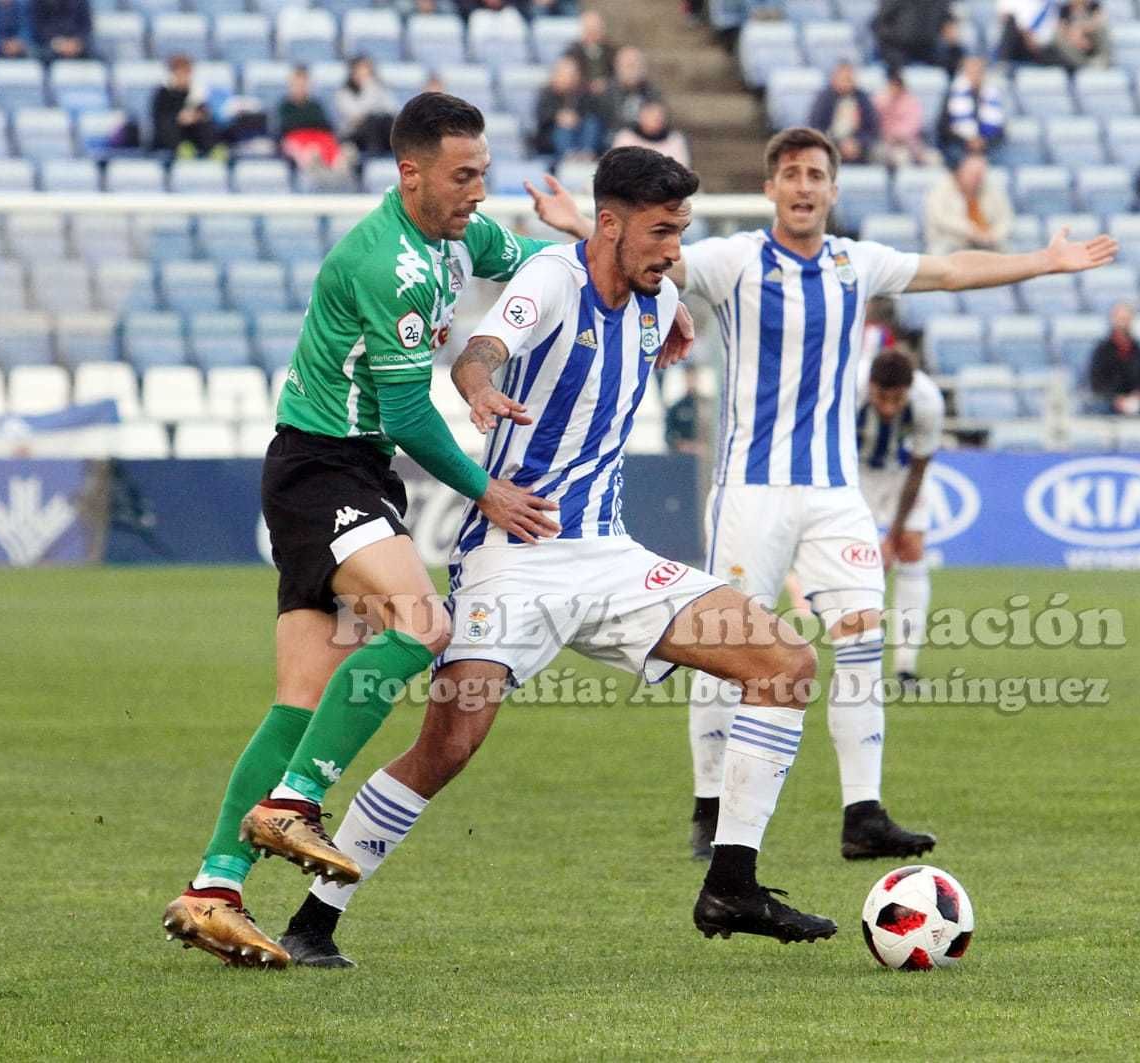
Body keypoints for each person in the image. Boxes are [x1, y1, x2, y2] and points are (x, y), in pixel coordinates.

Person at [276, 147, 838, 967]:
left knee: (784, 661)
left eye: (679, 233)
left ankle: (732, 883)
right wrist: (475, 384)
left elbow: (662, 301)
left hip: (608, 557)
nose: (673, 250)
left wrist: (671, 307)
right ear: (609, 225)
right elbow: (482, 348)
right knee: (447, 749)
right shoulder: (549, 280)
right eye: (659, 232)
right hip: (514, 555)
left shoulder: (661, 293)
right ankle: (314, 918)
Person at [158, 93, 625, 969]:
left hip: (343, 472)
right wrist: (488, 490)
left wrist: (577, 242)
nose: (478, 191)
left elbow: (527, 269)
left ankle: (212, 888)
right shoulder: (389, 263)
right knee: (422, 624)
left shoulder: (459, 235)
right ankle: (293, 803)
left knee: (301, 700)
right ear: (410, 173)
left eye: (484, 172)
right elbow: (410, 407)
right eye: (462, 176)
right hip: (323, 469)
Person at [673, 126, 1117, 862]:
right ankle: (709, 801)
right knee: (731, 648)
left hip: (834, 491)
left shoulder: (857, 263)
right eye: (791, 174)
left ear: (834, 189)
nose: (804, 186)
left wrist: (1042, 261)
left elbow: (949, 271)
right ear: (771, 188)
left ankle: (863, 812)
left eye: (816, 174)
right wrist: (582, 232)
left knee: (861, 640)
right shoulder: (735, 261)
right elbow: (658, 265)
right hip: (752, 489)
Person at [856, 350, 945, 690]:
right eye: (882, 397)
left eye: (897, 399)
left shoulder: (928, 401)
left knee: (911, 548)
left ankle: (905, 666)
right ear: (870, 386)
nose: (890, 407)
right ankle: (857, 656)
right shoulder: (848, 388)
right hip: (854, 471)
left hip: (902, 473)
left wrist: (893, 537)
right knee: (856, 557)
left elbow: (920, 467)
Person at [924, 152, 1012, 255]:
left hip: (986, 240)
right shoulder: (941, 189)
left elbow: (1006, 219)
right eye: (973, 174)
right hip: (953, 239)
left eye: (980, 175)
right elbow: (940, 218)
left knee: (1006, 250)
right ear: (961, 171)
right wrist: (970, 231)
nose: (977, 179)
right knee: (940, 250)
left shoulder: (991, 189)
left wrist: (993, 235)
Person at [1087, 302, 1140, 415]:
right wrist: (1116, 399)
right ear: (1113, 319)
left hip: (1136, 403)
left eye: (1126, 318)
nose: (1123, 322)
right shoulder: (1102, 351)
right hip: (1108, 402)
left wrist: (1138, 395)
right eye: (1120, 318)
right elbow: (1096, 383)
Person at [809, 61, 880, 167]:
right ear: (834, 79)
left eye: (849, 79)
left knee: (878, 153)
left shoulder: (863, 99)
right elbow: (816, 128)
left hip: (859, 146)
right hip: (831, 143)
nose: (846, 82)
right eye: (843, 79)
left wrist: (858, 143)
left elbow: (872, 129)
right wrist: (837, 143)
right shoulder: (824, 99)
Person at [939, 55, 1006, 167]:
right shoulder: (952, 95)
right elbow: (943, 128)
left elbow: (1000, 131)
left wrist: (985, 141)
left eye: (978, 71)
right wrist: (967, 141)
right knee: (954, 155)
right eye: (970, 71)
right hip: (960, 146)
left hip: (987, 148)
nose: (975, 75)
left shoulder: (993, 95)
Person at [535, 55, 606, 160]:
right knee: (563, 128)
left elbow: (594, 111)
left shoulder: (585, 92)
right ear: (556, 75)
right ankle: (569, 156)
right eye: (566, 75)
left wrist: (576, 117)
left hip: (581, 131)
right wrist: (558, 116)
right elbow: (542, 117)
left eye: (573, 75)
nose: (569, 79)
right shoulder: (546, 93)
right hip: (554, 134)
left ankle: (588, 154)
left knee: (591, 122)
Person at [151, 55, 217, 157]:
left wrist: (194, 117)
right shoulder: (163, 92)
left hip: (191, 134)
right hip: (170, 135)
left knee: (205, 124)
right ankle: (180, 149)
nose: (183, 75)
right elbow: (159, 118)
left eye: (186, 72)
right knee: (168, 125)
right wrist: (179, 117)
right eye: (180, 72)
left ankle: (212, 149)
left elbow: (204, 112)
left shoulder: (196, 91)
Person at [874, 67, 937, 167]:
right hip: (885, 142)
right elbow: (875, 124)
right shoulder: (880, 100)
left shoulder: (912, 102)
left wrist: (898, 136)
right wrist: (887, 102)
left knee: (933, 158)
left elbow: (913, 127)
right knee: (898, 157)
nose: (894, 88)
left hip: (909, 143)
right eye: (891, 85)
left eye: (896, 85)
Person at [336, 56, 397, 158]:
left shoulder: (380, 88)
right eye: (361, 70)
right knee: (371, 120)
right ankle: (374, 158)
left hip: (381, 132)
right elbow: (356, 117)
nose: (365, 74)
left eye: (367, 70)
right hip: (355, 135)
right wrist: (369, 87)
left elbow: (393, 110)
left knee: (387, 121)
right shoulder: (343, 94)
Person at [873, 0, 952, 69]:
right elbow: (880, 22)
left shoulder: (940, 2)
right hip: (897, 47)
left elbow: (946, 21)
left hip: (929, 47)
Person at [611, 99, 690, 166]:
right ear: (641, 116)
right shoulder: (626, 138)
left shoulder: (675, 140)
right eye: (651, 114)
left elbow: (682, 168)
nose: (657, 119)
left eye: (660, 115)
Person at [604, 45, 661, 132]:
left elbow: (659, 114)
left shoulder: (650, 90)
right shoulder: (607, 90)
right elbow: (610, 119)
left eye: (635, 64)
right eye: (628, 65)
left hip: (644, 135)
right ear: (617, 66)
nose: (632, 70)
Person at [564, 8, 617, 98]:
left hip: (610, 98)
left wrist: (607, 84)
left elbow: (618, 76)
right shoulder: (572, 53)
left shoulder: (612, 52)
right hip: (580, 98)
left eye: (595, 29)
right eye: (589, 30)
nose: (592, 34)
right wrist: (589, 85)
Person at [279, 65, 331, 137]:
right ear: (290, 85)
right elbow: (281, 131)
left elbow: (326, 129)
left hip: (314, 143)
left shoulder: (315, 106)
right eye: (296, 84)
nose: (300, 88)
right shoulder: (283, 107)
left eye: (303, 84)